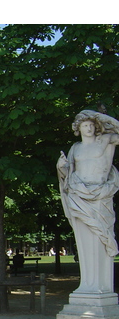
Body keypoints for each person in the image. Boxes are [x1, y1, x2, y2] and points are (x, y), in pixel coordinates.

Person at [57, 109, 119, 294]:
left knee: (101, 236)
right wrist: (61, 167)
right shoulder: (75, 147)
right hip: (78, 194)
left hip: (100, 196)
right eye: (85, 125)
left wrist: (103, 118)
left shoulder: (106, 141)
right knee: (84, 239)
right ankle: (87, 285)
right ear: (78, 129)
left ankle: (100, 288)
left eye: (92, 125)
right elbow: (68, 172)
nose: (89, 128)